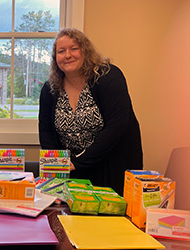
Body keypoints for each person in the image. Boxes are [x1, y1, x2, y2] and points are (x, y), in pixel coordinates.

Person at [38, 28, 142, 195]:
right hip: (72, 171)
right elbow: (46, 131)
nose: (67, 55)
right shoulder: (50, 89)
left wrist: (78, 162)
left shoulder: (108, 76)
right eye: (61, 51)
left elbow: (117, 127)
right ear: (55, 58)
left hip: (111, 166)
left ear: (85, 51)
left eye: (74, 48)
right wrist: (55, 166)